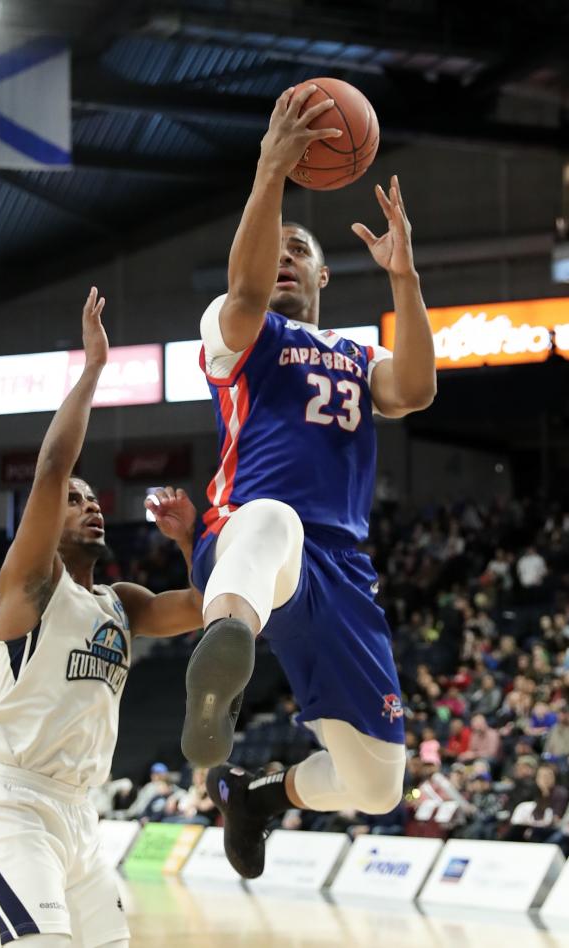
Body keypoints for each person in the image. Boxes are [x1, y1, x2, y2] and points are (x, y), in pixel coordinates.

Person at [179, 84, 436, 878]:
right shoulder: (241, 329)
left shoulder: (360, 358)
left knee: (377, 783)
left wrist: (405, 279)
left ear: (324, 277)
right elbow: (249, 288)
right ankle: (223, 647)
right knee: (274, 520)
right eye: (278, 245)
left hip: (343, 571)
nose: (286, 256)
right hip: (249, 546)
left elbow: (418, 389)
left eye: (301, 250)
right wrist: (270, 173)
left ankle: (257, 793)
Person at [0, 288, 203, 948]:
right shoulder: (32, 586)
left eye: (93, 500)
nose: (88, 505)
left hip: (81, 816)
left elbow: (206, 607)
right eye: (73, 501)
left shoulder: (120, 603)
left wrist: (190, 542)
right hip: (17, 807)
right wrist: (93, 369)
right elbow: (49, 467)